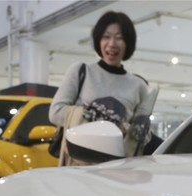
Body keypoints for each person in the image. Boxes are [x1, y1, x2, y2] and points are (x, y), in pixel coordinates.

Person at [49, 11, 155, 165]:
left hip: (118, 170)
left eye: (119, 38)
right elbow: (55, 113)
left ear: (128, 43)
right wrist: (94, 113)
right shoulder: (81, 71)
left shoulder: (139, 85)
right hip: (79, 165)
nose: (112, 44)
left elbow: (139, 139)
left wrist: (139, 131)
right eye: (106, 37)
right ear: (99, 40)